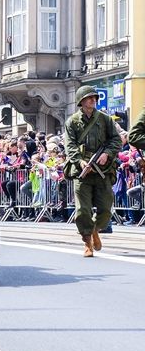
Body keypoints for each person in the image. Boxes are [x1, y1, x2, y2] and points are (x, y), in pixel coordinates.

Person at [64, 86, 121, 257]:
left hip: (103, 170)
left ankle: (95, 229)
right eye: (89, 98)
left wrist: (107, 154)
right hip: (83, 172)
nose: (93, 100)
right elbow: (70, 145)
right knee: (83, 211)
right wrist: (79, 161)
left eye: (94, 97)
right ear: (81, 101)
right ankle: (87, 241)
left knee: (105, 209)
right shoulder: (72, 122)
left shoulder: (105, 119)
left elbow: (116, 140)